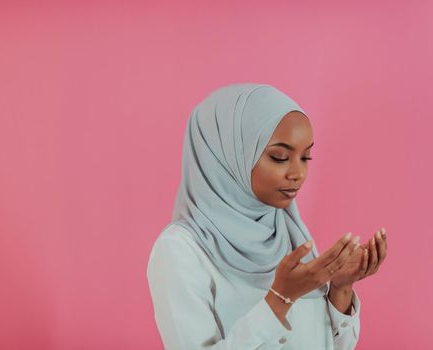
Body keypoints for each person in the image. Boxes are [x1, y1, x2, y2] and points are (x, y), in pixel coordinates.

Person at [146, 83, 388, 349]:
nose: (299, 173)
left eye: (306, 157)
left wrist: (341, 289)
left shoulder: (289, 232)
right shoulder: (180, 250)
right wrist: (279, 299)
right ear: (229, 155)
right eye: (280, 157)